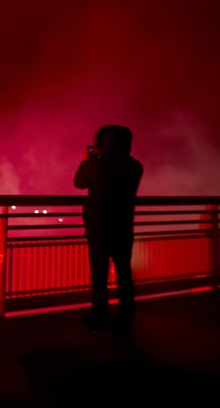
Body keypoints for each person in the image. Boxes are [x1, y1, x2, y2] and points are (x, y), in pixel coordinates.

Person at [73, 124, 143, 335]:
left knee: (99, 275)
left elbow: (79, 182)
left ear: (103, 143)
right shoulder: (135, 166)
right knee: (124, 274)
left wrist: (88, 159)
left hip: (100, 228)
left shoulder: (100, 165)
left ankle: (99, 316)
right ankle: (126, 315)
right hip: (124, 227)